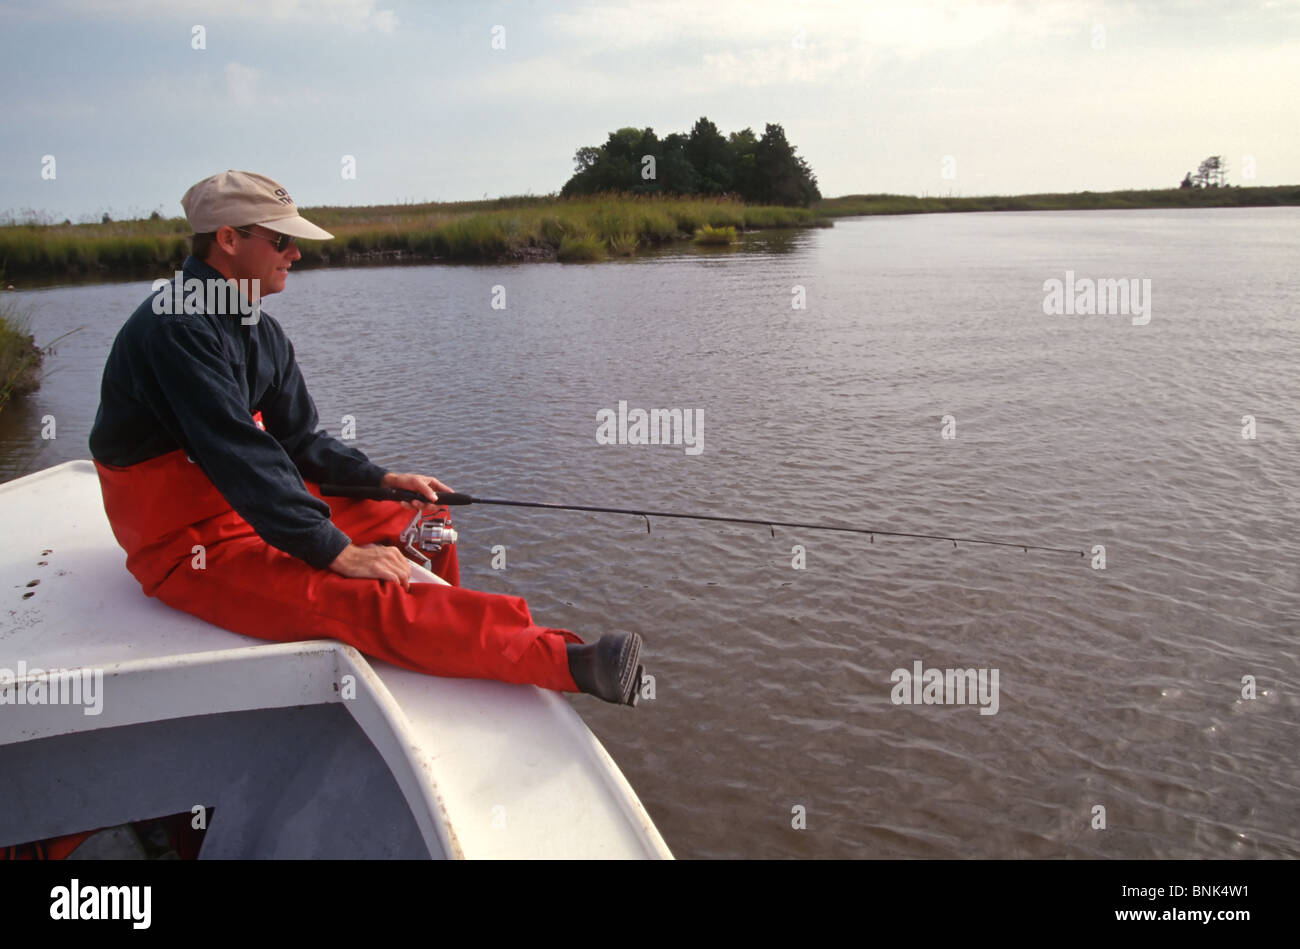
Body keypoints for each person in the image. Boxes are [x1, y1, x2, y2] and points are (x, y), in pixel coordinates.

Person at [88, 170, 642, 706]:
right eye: (282, 240)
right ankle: (566, 661)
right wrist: (335, 550)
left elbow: (300, 441)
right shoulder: (176, 325)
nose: (295, 254)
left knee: (424, 517)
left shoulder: (259, 328)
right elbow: (237, 454)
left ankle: (445, 639)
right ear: (228, 240)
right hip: (191, 544)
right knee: (359, 595)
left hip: (250, 507)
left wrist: (382, 481)